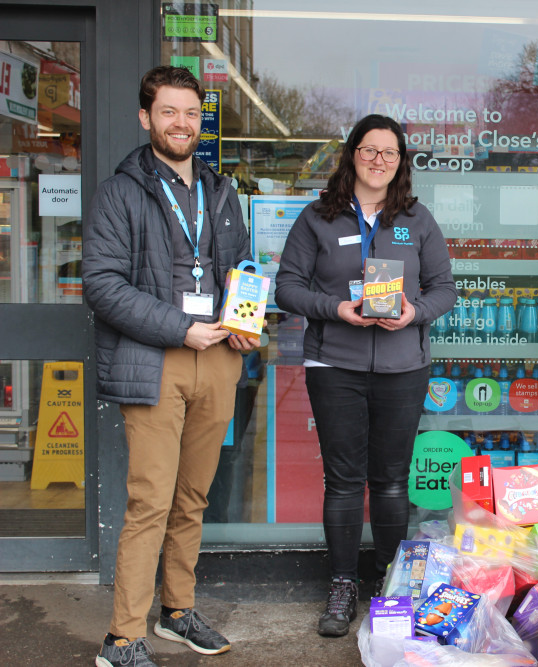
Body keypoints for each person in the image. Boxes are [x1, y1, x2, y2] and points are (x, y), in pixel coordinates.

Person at [82, 66, 259, 667]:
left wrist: (245, 324)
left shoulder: (220, 190)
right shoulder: (119, 192)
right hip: (155, 360)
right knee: (150, 502)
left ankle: (176, 610)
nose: (181, 124)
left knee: (193, 497)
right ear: (146, 117)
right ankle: (121, 638)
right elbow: (103, 286)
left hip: (217, 360)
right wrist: (180, 327)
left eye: (191, 113)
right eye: (168, 112)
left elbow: (240, 268)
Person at [274, 114, 456, 638]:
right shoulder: (317, 217)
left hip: (403, 365)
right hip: (335, 365)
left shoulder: (417, 220)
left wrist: (413, 312)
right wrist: (336, 308)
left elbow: (445, 287)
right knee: (345, 480)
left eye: (390, 153)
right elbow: (287, 287)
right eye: (370, 150)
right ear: (353, 154)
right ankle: (342, 583)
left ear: (401, 162)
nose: (379, 161)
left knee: (392, 481)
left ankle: (391, 584)